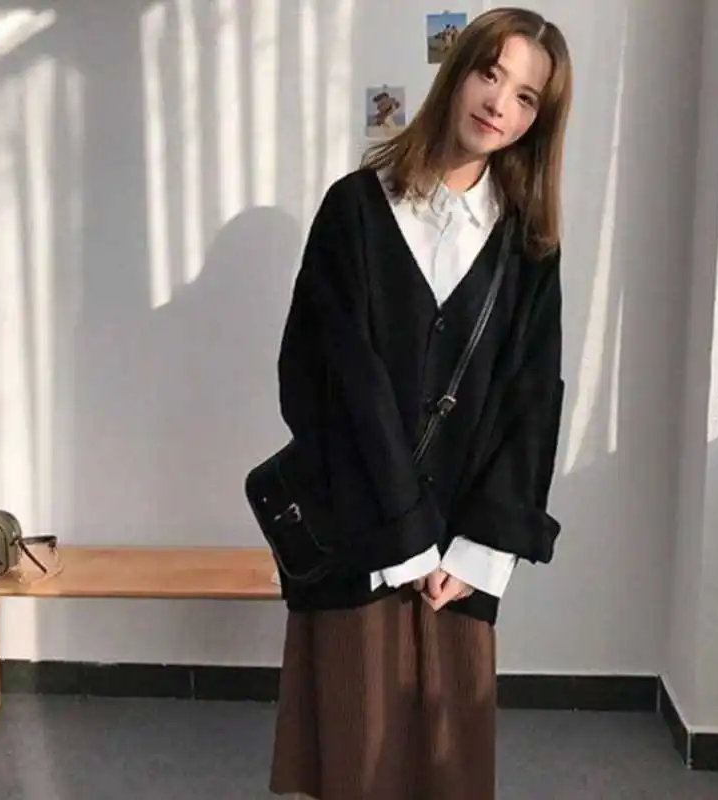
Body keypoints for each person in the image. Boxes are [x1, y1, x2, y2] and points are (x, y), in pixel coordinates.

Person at [268, 7, 572, 799]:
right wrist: (401, 535)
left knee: (447, 766)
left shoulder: (528, 242)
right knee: (357, 757)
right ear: (457, 72)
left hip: (460, 559)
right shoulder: (355, 210)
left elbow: (532, 397)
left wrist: (481, 552)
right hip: (360, 538)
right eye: (490, 74)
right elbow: (321, 381)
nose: (499, 103)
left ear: (538, 121)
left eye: (526, 97)